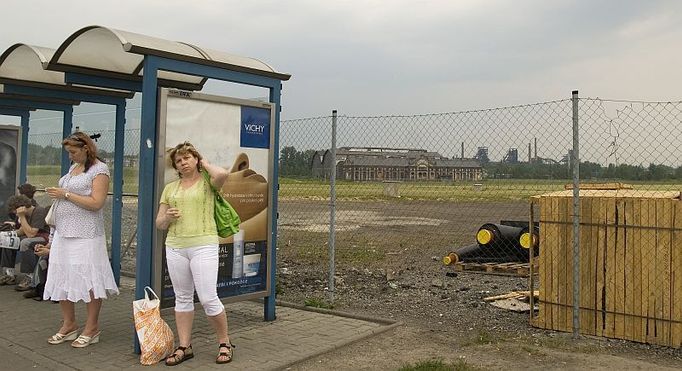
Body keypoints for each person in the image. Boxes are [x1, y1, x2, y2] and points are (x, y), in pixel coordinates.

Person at [156, 141, 234, 365]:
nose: (183, 163)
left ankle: (224, 342)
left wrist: (205, 163)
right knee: (182, 298)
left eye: (187, 158)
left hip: (203, 245)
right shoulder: (170, 188)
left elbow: (223, 174)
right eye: (179, 161)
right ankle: (184, 346)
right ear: (176, 167)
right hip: (176, 246)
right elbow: (159, 223)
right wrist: (167, 217)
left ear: (196, 159)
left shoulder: (208, 182)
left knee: (209, 297)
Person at [43, 131, 119, 348]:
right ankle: (69, 324)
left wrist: (66, 194)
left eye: (73, 152)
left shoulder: (99, 169)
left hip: (86, 233)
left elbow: (97, 203)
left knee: (89, 278)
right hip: (64, 233)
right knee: (62, 274)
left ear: (86, 148)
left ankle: (92, 327)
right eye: (68, 152)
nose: (70, 156)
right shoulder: (72, 169)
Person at [0, 194, 49, 290]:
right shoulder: (25, 214)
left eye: (15, 211)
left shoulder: (39, 211)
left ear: (20, 208)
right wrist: (6, 234)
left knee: (25, 243)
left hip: (43, 237)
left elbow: (31, 234)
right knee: (7, 240)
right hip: (30, 236)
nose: (15, 213)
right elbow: (22, 230)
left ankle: (30, 276)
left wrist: (21, 217)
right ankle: (9, 274)